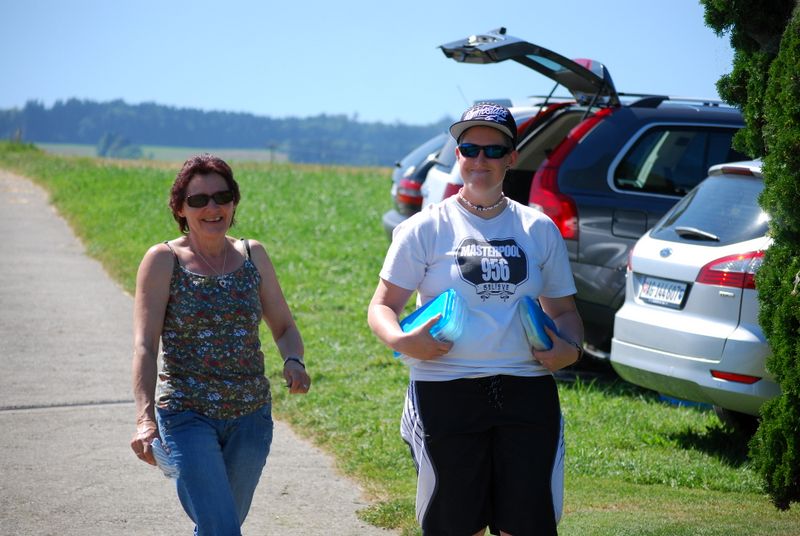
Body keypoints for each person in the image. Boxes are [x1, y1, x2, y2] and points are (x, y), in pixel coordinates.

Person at [367, 103, 584, 536]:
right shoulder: (424, 228)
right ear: (458, 155)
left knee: (526, 526)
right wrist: (403, 342)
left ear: (512, 157)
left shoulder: (538, 228)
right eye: (469, 149)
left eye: (493, 150)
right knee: (456, 526)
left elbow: (564, 312)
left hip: (527, 391)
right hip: (445, 390)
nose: (480, 159)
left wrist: (570, 351)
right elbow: (382, 306)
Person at [130, 153, 311, 535]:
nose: (212, 208)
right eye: (198, 200)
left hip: (251, 416)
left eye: (222, 197)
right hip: (186, 414)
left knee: (221, 524)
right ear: (180, 208)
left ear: (234, 202)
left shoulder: (252, 255)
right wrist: (146, 419)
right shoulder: (163, 260)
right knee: (221, 527)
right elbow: (145, 346)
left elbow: (283, 327)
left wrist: (293, 360)